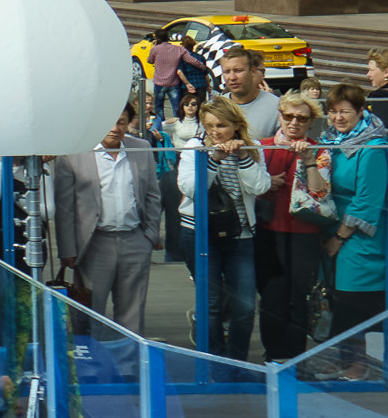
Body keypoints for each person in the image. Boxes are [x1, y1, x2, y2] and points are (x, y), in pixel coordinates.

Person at [50, 104, 165, 337]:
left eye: (122, 122)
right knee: (91, 312)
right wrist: (68, 251)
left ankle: (130, 368)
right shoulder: (73, 154)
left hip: (135, 239)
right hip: (94, 243)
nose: (115, 128)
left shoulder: (141, 148)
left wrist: (150, 235)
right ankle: (93, 367)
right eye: (110, 122)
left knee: (132, 311)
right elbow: (65, 208)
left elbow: (153, 195)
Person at [176, 97, 270, 362]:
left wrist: (242, 157)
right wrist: (214, 159)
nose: (215, 132)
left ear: (236, 126)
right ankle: (213, 361)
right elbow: (192, 189)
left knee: (245, 305)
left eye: (222, 126)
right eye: (210, 126)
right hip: (200, 234)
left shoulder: (252, 148)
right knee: (211, 303)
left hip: (240, 235)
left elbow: (260, 187)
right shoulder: (194, 147)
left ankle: (238, 362)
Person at [315, 82, 388, 372]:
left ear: (361, 111)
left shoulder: (372, 147)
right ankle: (342, 361)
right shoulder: (333, 140)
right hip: (335, 227)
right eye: (333, 112)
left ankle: (357, 365)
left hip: (358, 236)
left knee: (352, 300)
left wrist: (338, 238)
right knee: (336, 297)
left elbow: (367, 201)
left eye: (345, 112)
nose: (338, 118)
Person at [256, 92, 331, 365]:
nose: (294, 122)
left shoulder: (319, 150)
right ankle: (272, 354)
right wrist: (266, 183)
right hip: (268, 231)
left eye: (301, 118)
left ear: (311, 122)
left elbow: (320, 193)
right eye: (288, 116)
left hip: (304, 234)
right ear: (280, 116)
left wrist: (309, 160)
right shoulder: (263, 147)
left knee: (298, 297)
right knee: (272, 296)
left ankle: (295, 357)